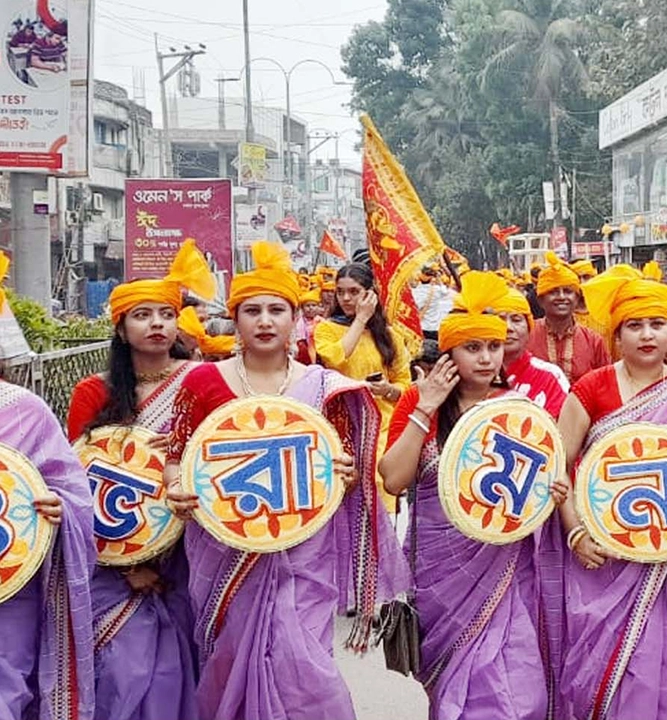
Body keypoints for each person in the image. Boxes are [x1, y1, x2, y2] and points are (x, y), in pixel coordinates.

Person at [162, 242, 408, 720]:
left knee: (306, 663)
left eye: (277, 309)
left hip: (304, 549)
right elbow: (179, 457)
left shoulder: (320, 385)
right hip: (225, 548)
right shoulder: (202, 382)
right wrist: (176, 488)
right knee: (231, 659)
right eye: (252, 310)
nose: (265, 320)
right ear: (236, 319)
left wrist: (347, 473)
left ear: (296, 318)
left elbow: (339, 466)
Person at [547, 264, 667, 720]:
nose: (646, 335)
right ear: (617, 334)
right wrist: (575, 535)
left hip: (661, 559)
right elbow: (559, 469)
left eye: (657, 325)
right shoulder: (592, 388)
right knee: (594, 677)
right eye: (634, 325)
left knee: (657, 667)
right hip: (599, 555)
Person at [379, 271, 560, 719]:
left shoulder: (518, 409)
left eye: (492, 347)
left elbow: (540, 484)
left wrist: (555, 492)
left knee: (521, 687)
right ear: (448, 353)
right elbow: (393, 479)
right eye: (472, 348)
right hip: (441, 571)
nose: (484, 359)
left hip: (508, 566)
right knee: (457, 684)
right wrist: (426, 406)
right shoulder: (420, 402)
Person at [66, 240, 213, 720]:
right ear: (121, 327)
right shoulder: (95, 393)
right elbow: (79, 482)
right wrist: (126, 566)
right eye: (142, 315)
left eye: (166, 315)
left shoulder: (202, 382)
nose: (156, 325)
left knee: (191, 661)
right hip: (115, 558)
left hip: (191, 549)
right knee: (126, 672)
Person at [0, 256, 96, 720]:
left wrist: (57, 508)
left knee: (6, 694)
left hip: (10, 585)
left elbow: (74, 494)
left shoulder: (25, 410)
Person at [314, 263, 412, 511]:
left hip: (383, 424)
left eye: (354, 291)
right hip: (342, 424)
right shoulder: (326, 329)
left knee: (381, 490)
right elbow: (335, 358)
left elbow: (405, 384)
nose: (346, 298)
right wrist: (360, 319)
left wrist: (388, 389)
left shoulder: (389, 336)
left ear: (370, 294)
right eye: (340, 292)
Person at [528, 252, 610, 384]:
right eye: (553, 292)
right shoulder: (527, 335)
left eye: (568, 291)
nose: (561, 297)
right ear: (540, 300)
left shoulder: (594, 341)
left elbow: (605, 384)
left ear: (577, 298)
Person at [494, 286, 569, 416]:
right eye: (499, 320)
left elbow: (563, 430)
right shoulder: (473, 377)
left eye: (516, 320)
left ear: (529, 328)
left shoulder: (550, 377)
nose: (508, 327)